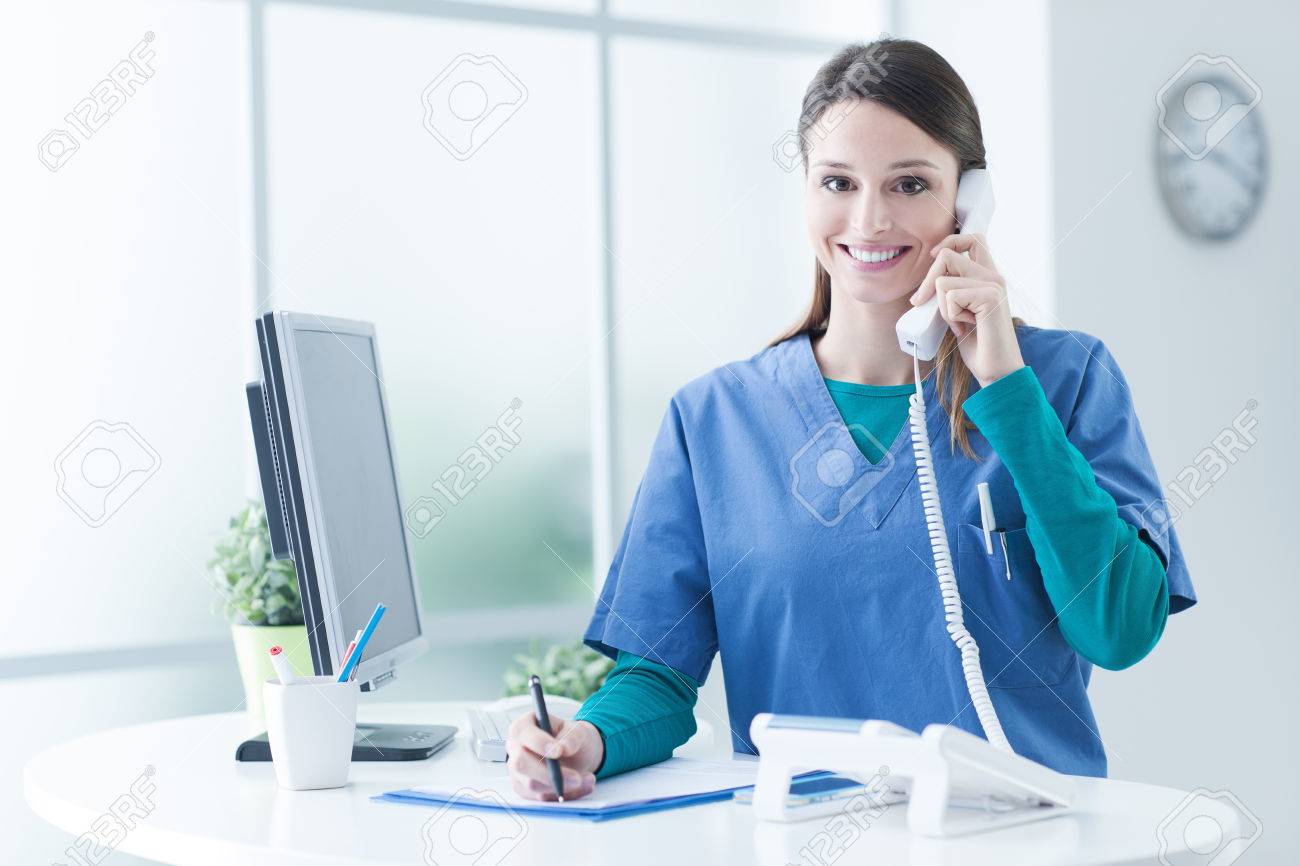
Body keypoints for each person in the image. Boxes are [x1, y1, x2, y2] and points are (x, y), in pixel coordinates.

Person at [505, 37, 1195, 802]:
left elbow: (1120, 630)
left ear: (968, 201)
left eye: (909, 184)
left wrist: (1005, 385)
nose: (869, 220)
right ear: (806, 192)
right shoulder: (713, 420)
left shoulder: (1067, 381)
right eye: (838, 181)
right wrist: (587, 741)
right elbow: (658, 677)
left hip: (1028, 839)